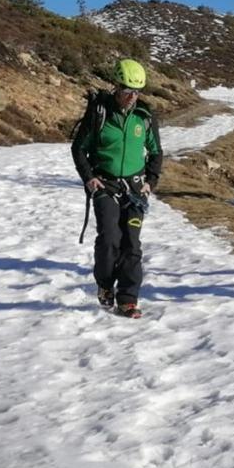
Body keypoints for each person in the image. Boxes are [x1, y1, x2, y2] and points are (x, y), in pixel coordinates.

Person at [70, 58, 162, 318]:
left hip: (135, 189)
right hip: (106, 185)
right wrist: (89, 178)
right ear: (116, 87)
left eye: (137, 92)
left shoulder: (144, 116)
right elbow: (79, 149)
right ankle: (105, 284)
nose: (131, 97)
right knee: (110, 240)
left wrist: (150, 182)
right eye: (126, 91)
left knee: (132, 244)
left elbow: (156, 152)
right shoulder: (100, 113)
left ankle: (128, 299)